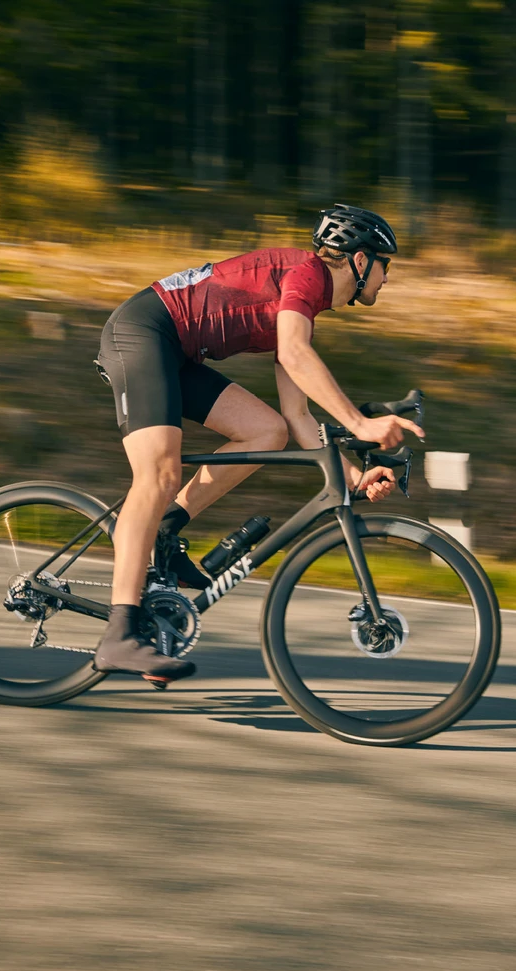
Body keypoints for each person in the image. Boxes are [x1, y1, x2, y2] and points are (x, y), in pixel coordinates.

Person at [92, 203, 425, 683]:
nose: (387, 277)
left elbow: (297, 415)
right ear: (357, 259)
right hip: (143, 333)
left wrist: (352, 479)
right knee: (160, 473)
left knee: (266, 430)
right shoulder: (306, 275)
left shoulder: (301, 303)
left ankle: (162, 528)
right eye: (384, 264)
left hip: (174, 350)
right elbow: (293, 352)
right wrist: (362, 424)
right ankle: (119, 636)